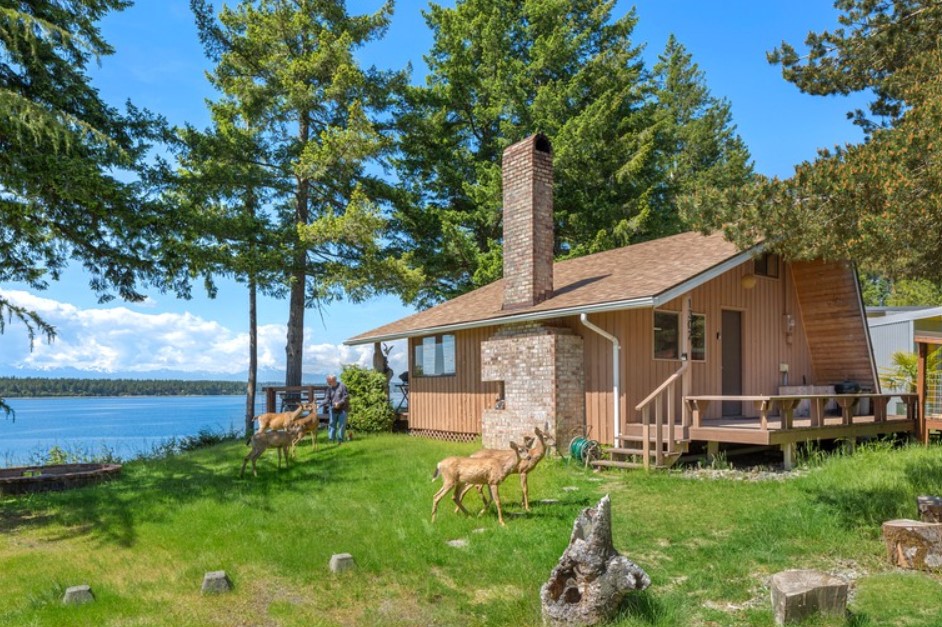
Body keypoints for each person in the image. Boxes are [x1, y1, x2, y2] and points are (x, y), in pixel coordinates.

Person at [320, 374, 350, 444]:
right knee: (332, 424)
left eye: (328, 381)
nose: (328, 383)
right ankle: (331, 440)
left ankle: (340, 440)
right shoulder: (329, 388)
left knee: (341, 425)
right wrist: (319, 405)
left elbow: (345, 397)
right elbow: (327, 399)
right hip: (333, 409)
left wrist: (339, 403)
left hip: (343, 409)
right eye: (327, 381)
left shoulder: (342, 386)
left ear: (333, 380)